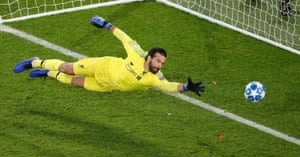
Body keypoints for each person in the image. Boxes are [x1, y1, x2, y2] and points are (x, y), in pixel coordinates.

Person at [13, 16, 205, 96]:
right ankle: (34, 62)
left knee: (72, 82)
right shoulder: (137, 54)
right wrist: (106, 25)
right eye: (158, 61)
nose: (160, 65)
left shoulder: (153, 79)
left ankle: (47, 74)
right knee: (67, 68)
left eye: (162, 63)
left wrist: (186, 87)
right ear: (149, 57)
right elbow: (125, 38)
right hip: (101, 66)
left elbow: (168, 85)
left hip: (106, 85)